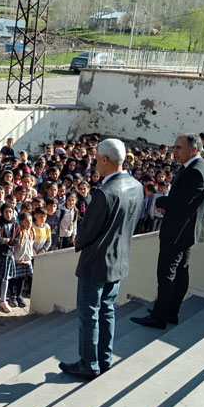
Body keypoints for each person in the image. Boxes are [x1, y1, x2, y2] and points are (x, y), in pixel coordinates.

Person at [58, 139, 143, 380]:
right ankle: (104, 359)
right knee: (107, 311)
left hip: (95, 263)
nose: (95, 163)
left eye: (97, 159)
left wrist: (79, 241)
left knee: (89, 314)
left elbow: (85, 233)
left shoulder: (104, 192)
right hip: (119, 260)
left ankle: (88, 363)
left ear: (105, 160)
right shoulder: (135, 186)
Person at [132, 134, 204, 330]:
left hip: (177, 232)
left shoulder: (196, 172)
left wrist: (159, 201)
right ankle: (171, 313)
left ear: (193, 150)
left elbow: (179, 202)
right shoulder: (198, 168)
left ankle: (160, 317)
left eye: (178, 148)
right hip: (185, 232)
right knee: (180, 272)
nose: (174, 151)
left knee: (167, 275)